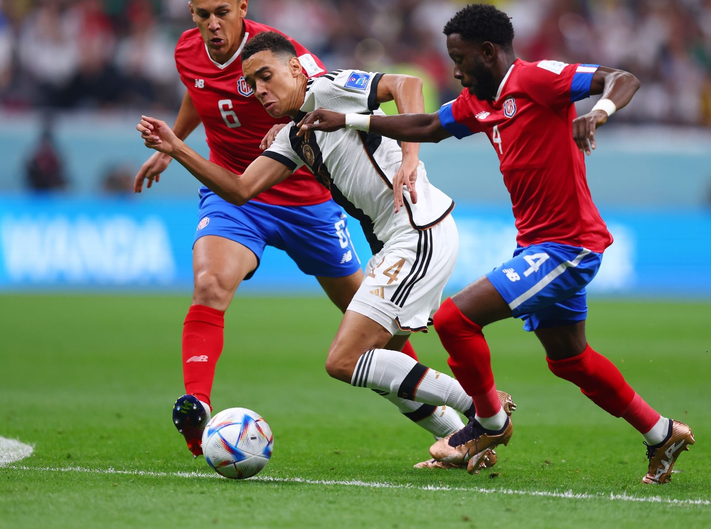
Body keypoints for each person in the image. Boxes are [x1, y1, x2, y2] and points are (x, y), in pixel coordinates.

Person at [300, 4, 695, 483]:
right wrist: (351, 123)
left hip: (567, 247)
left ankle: (488, 423)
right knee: (571, 360)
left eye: (460, 59)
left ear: (489, 52)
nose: (455, 71)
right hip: (537, 247)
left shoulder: (538, 79)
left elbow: (622, 77)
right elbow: (428, 126)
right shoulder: (481, 103)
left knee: (454, 319)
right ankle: (662, 433)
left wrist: (600, 112)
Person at [137, 30, 515, 470]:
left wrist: (410, 156)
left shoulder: (328, 88)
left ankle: (484, 410)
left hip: (418, 231)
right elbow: (240, 189)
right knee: (377, 361)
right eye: (252, 85)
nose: (260, 91)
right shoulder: (295, 137)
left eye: (267, 76)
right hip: (398, 243)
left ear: (296, 69)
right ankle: (469, 431)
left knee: (344, 359)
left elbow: (405, 84)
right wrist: (179, 148)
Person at [132, 0, 419, 458]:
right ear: (191, 13)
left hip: (306, 198)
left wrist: (292, 125)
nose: (213, 25)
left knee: (374, 325)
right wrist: (173, 143)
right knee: (209, 284)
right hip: (232, 193)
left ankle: (441, 414)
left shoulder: (282, 54)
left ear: (243, 8)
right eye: (203, 15)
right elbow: (198, 92)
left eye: (223, 12)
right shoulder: (186, 50)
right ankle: (197, 405)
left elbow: (320, 94)